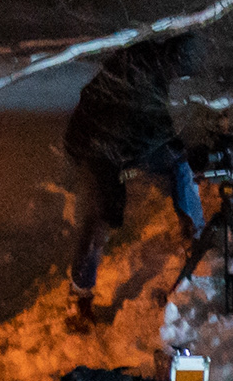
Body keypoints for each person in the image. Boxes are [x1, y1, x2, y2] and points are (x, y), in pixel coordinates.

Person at [64, 34, 206, 315]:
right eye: (181, 72)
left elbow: (154, 122)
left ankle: (197, 234)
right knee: (102, 214)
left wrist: (177, 147)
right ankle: (80, 295)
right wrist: (173, 145)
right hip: (96, 146)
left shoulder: (152, 66)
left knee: (179, 164)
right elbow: (144, 126)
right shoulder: (138, 76)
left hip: (122, 140)